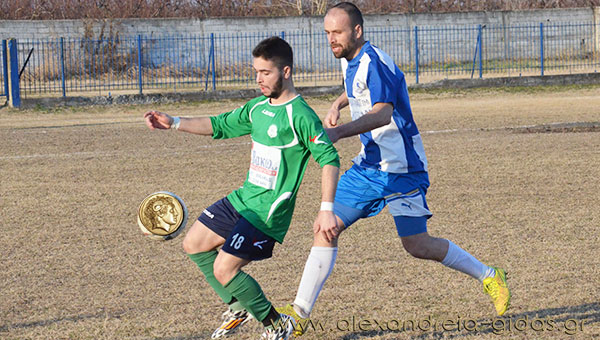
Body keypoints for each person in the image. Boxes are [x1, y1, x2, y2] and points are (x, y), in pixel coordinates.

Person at [278, 2, 511, 333]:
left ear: (357, 31)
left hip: (401, 169)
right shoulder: (352, 60)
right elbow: (357, 86)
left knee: (417, 245)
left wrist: (338, 132)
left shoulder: (375, 61)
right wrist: (337, 103)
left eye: (338, 32)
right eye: (328, 33)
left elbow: (383, 112)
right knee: (325, 227)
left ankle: (489, 275)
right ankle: (299, 313)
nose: (332, 39)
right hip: (367, 167)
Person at [144, 36, 340, 340]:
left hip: (267, 213)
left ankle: (277, 326)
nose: (258, 79)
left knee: (224, 269)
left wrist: (326, 209)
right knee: (193, 243)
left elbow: (329, 158)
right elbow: (220, 125)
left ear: (286, 72)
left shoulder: (300, 115)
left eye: (265, 73)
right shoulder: (257, 108)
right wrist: (174, 122)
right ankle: (238, 307)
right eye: (256, 72)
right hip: (244, 200)